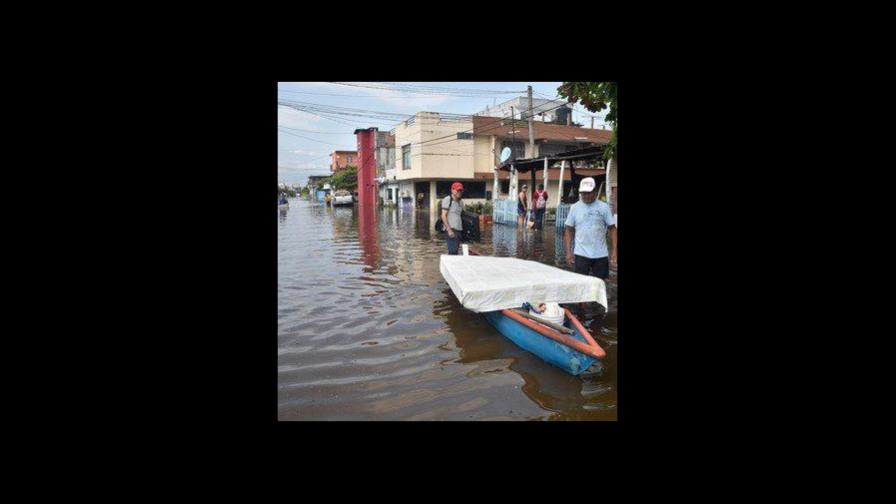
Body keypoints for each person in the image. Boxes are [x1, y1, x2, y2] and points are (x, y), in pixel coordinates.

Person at [564, 177, 617, 318]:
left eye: (589, 193)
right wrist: (568, 252)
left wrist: (614, 252)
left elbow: (612, 229)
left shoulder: (603, 207)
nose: (586, 196)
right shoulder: (575, 208)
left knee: (600, 285)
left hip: (600, 254)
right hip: (581, 253)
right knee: (580, 284)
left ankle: (599, 313)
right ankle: (582, 312)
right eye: (583, 193)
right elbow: (569, 230)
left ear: (594, 192)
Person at [441, 182, 464, 255]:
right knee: (452, 251)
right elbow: (443, 215)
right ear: (452, 190)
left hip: (459, 230)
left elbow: (461, 215)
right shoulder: (447, 199)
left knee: (455, 252)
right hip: (451, 230)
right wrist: (449, 230)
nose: (459, 192)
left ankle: (454, 266)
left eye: (461, 190)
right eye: (458, 190)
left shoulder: (461, 202)